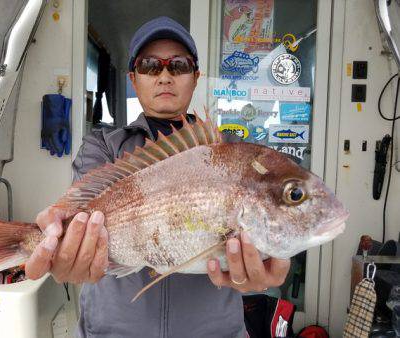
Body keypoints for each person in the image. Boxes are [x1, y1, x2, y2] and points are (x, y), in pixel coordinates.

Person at [25, 16, 290, 338]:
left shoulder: (232, 153)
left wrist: (262, 270)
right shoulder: (103, 146)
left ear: (195, 77)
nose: (164, 75)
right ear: (133, 79)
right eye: (151, 65)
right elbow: (81, 218)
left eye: (178, 65)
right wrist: (62, 242)